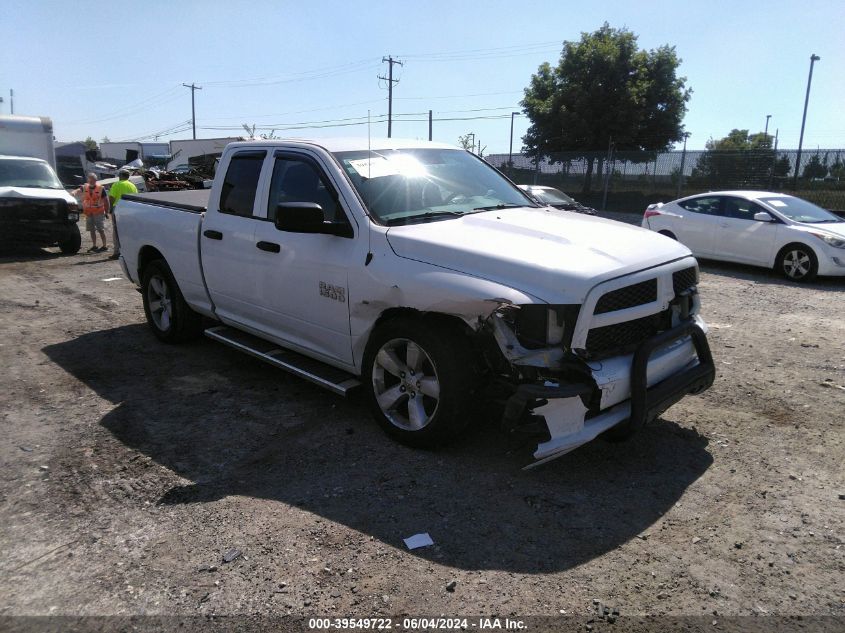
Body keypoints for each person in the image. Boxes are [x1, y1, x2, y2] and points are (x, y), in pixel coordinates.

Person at [71, 173, 110, 253]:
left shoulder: (100, 188)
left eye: (93, 180)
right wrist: (74, 192)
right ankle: (94, 245)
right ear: (88, 180)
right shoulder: (85, 187)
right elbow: (78, 190)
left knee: (101, 229)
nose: (91, 181)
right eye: (90, 179)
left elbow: (106, 201)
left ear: (96, 180)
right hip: (89, 213)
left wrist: (107, 212)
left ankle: (104, 246)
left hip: (98, 212)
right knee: (91, 230)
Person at [106, 170, 137, 260]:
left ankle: (117, 252)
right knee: (129, 230)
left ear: (120, 176)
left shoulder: (116, 184)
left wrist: (110, 208)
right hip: (130, 209)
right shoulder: (132, 185)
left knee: (116, 231)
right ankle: (131, 250)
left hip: (119, 209)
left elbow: (111, 197)